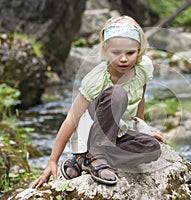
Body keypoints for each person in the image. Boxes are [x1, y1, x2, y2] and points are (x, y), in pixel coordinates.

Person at [32, 15, 164, 188]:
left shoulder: (143, 67)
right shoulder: (97, 79)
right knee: (117, 94)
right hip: (93, 132)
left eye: (130, 53)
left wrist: (142, 130)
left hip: (118, 133)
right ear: (105, 49)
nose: (123, 59)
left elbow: (140, 97)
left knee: (152, 148)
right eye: (116, 53)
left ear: (139, 50)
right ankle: (96, 154)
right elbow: (72, 117)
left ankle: (84, 160)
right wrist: (52, 161)